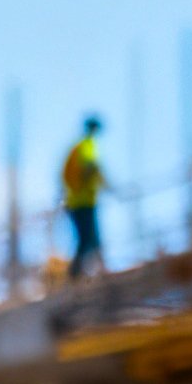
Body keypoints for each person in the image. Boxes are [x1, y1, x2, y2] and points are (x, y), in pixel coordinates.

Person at [60, 114, 109, 278]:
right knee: (88, 238)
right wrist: (105, 183)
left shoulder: (78, 146)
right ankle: (79, 274)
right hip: (84, 201)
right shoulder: (87, 146)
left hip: (75, 200)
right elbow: (91, 167)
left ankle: (93, 271)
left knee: (89, 238)